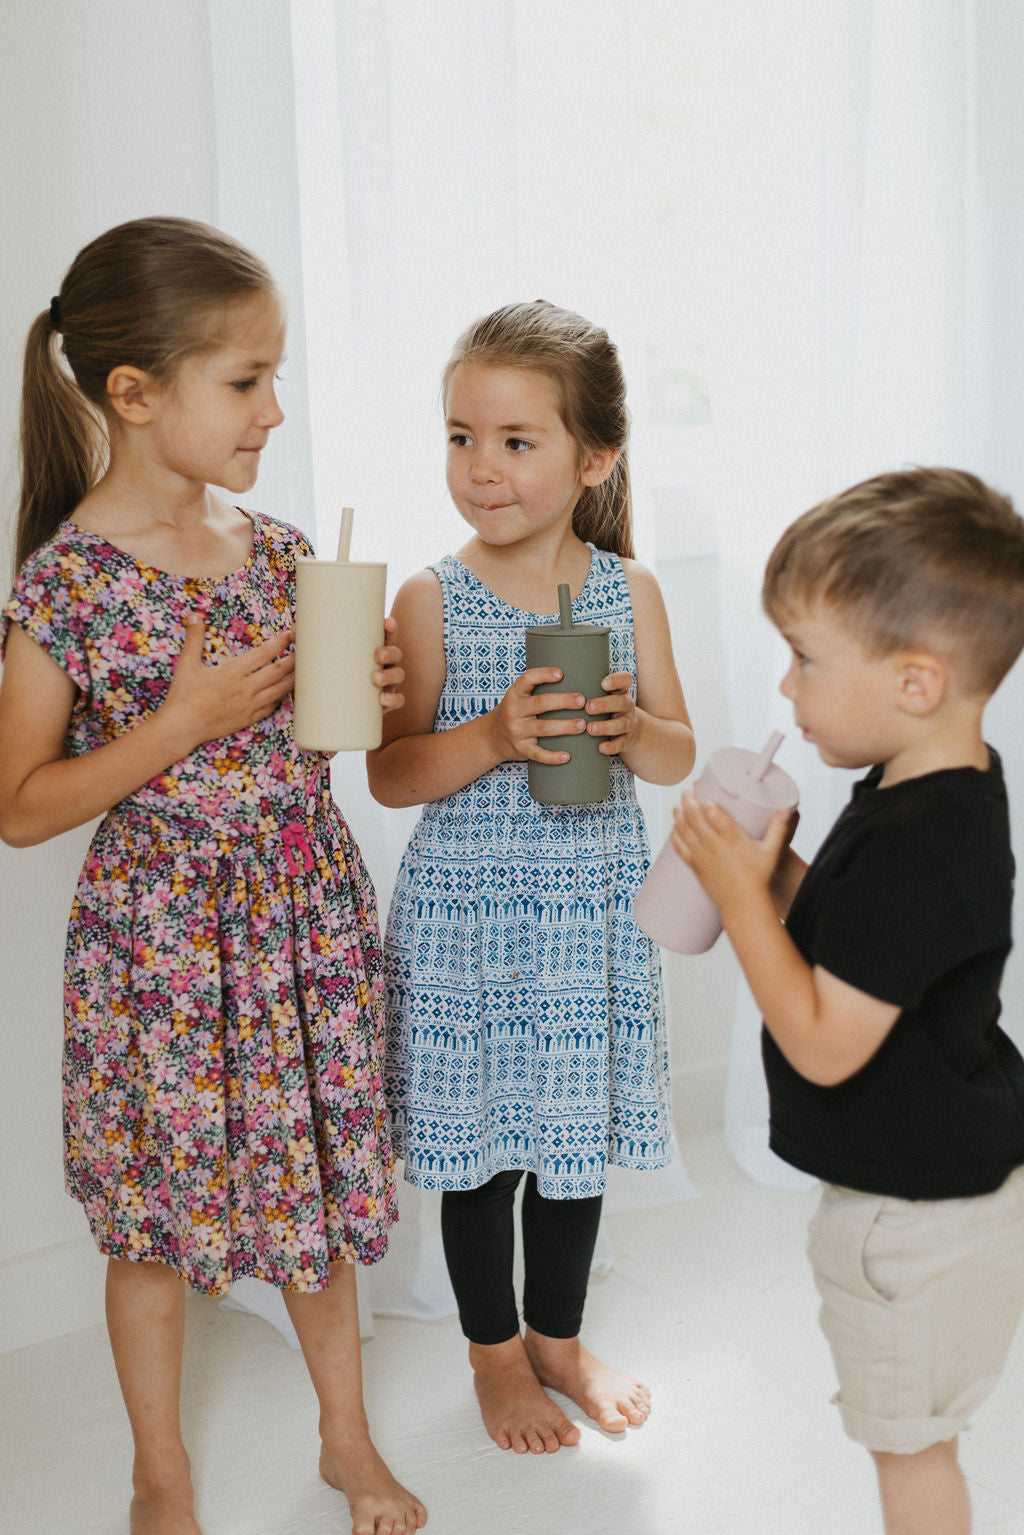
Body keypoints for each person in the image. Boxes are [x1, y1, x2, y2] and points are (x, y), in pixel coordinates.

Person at [0, 216, 426, 1535]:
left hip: (303, 920)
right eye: (244, 381)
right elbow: (18, 807)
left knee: (314, 1191)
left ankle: (345, 1437)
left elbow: (339, 750)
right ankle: (160, 1471)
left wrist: (378, 695)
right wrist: (174, 723)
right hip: (165, 950)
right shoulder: (65, 584)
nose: (274, 410)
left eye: (274, 375)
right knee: (147, 1225)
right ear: (135, 394)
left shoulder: (287, 552)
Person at [368, 300, 695, 1455]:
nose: (481, 468)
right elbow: (394, 770)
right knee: (484, 1150)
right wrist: (496, 736)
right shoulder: (428, 595)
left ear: (591, 456)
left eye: (515, 441)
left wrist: (629, 726)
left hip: (588, 910)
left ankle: (559, 1336)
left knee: (572, 1137)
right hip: (470, 918)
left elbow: (679, 748)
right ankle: (495, 1356)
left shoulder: (626, 590)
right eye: (461, 436)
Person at [671, 467, 1024, 1535]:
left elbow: (824, 1040)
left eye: (805, 658)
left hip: (911, 1221)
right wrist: (775, 877)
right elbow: (862, 944)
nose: (784, 687)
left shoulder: (923, 841)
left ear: (914, 682)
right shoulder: (933, 785)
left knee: (909, 1449)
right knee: (913, 1426)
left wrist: (738, 901)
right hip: (935, 1181)